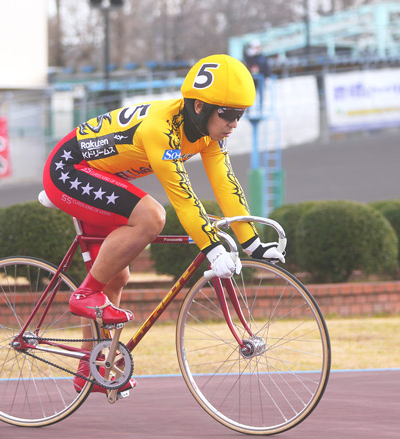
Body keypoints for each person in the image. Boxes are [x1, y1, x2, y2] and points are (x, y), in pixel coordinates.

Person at [42, 54, 284, 394]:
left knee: (117, 274)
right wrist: (212, 248)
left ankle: (89, 369)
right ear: (199, 107)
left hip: (100, 176)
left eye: (240, 115)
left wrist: (252, 241)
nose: (234, 123)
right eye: (228, 114)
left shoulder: (208, 133)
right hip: (70, 170)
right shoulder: (162, 128)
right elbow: (182, 196)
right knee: (152, 216)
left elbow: (225, 182)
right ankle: (85, 293)